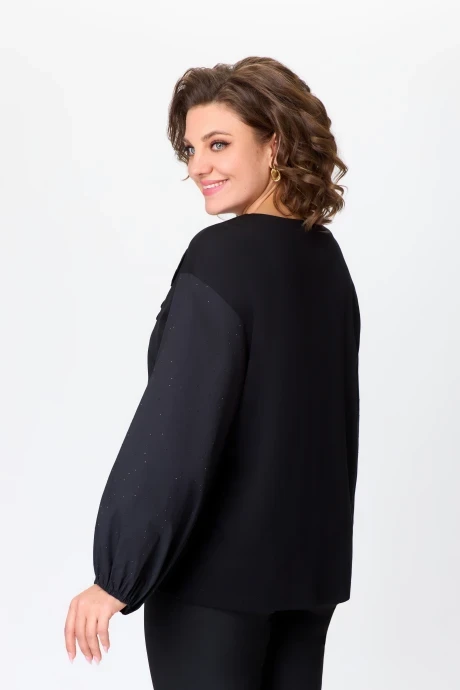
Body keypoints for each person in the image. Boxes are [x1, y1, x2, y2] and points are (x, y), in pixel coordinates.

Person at [64, 56, 361, 689]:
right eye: (191, 149)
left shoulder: (222, 256)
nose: (199, 165)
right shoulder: (326, 260)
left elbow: (180, 422)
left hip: (214, 585)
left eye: (219, 143)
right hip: (309, 577)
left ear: (274, 144)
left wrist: (117, 574)